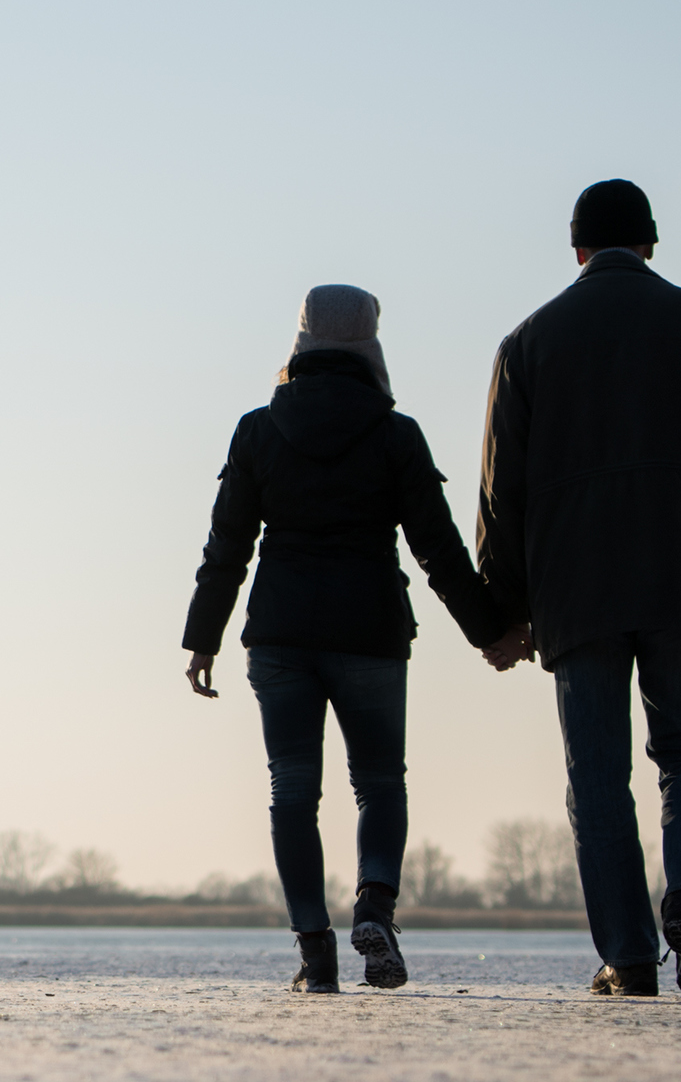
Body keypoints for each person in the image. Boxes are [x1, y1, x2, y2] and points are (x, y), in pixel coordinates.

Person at [475, 180, 681, 997]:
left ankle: (625, 956)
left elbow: (500, 492)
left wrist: (500, 609)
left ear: (575, 249)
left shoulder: (528, 343)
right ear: (650, 243)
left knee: (597, 775)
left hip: (574, 593)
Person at [184, 284, 515, 992]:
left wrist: (201, 637)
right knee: (378, 783)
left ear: (300, 339)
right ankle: (374, 904)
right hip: (368, 630)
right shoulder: (395, 434)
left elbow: (227, 546)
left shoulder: (258, 431)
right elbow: (438, 549)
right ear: (369, 342)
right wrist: (489, 632)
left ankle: (315, 951)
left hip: (280, 635)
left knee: (292, 790)